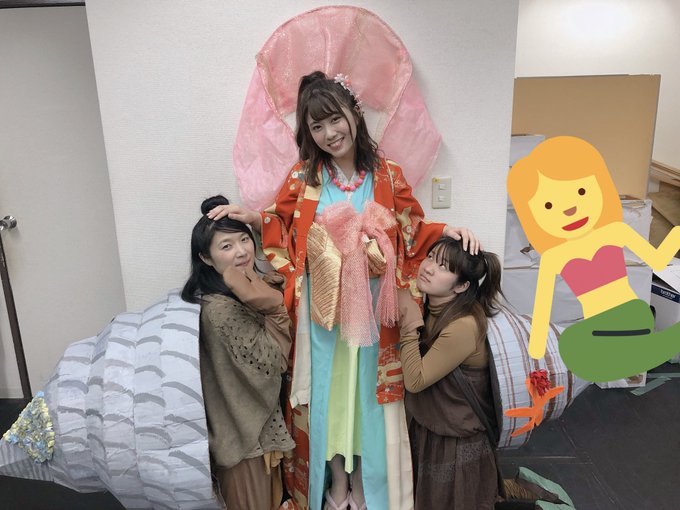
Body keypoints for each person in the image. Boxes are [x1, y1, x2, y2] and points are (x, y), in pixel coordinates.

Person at [208, 71, 479, 510]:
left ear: (354, 114)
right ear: (308, 132)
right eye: (317, 126)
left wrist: (449, 230)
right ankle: (336, 481)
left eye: (335, 119)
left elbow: (412, 227)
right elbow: (281, 222)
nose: (330, 133)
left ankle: (366, 482)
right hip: (324, 310)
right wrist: (254, 219)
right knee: (330, 393)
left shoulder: (387, 174)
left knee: (367, 395)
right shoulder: (305, 176)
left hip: (374, 305)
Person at [507, 136, 680, 382]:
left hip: (631, 313)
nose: (569, 209)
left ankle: (647, 349)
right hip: (598, 325)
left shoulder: (614, 231)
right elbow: (542, 309)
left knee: (580, 349)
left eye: (581, 191)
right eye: (548, 205)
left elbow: (658, 261)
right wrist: (535, 354)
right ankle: (650, 348)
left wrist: (676, 235)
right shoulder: (555, 255)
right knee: (573, 346)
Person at [181, 195, 295, 510]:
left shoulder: (242, 289)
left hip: (251, 437)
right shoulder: (220, 309)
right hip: (244, 444)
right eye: (226, 246)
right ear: (206, 258)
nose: (242, 251)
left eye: (244, 239)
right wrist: (274, 308)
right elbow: (272, 363)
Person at [398, 237, 503, 509]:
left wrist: (409, 323)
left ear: (461, 286)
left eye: (444, 266)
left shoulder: (463, 325)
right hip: (431, 429)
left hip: (456, 445)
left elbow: (415, 380)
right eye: (431, 257)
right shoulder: (430, 305)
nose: (429, 268)